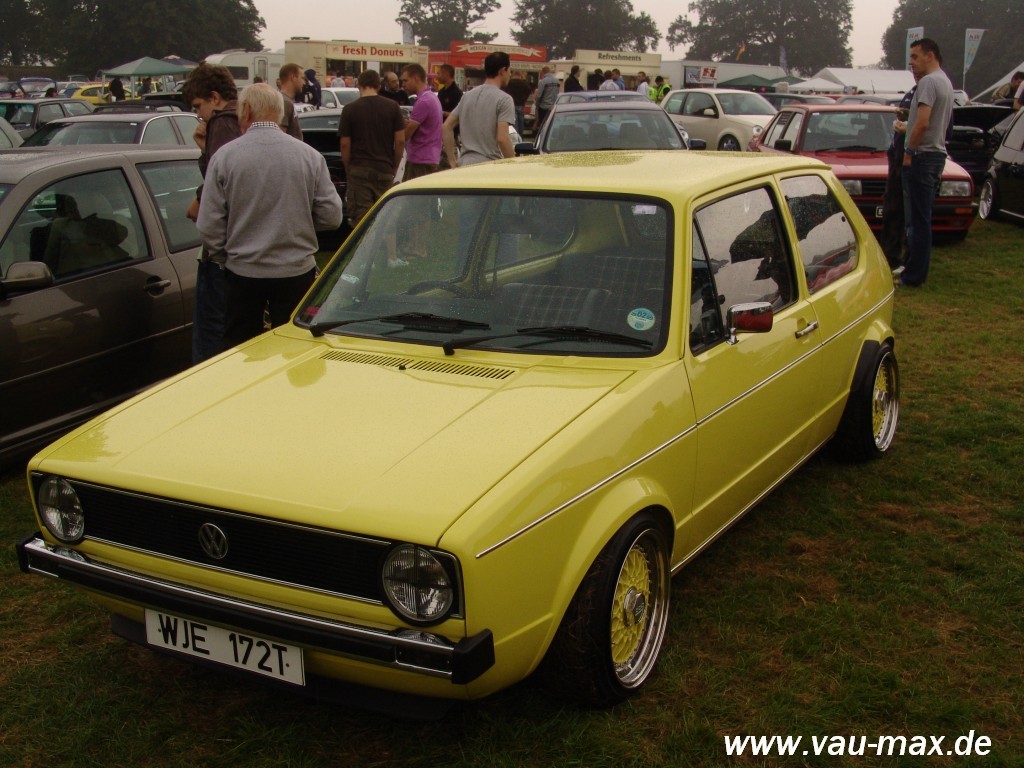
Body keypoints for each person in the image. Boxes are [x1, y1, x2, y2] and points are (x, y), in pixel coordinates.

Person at [197, 84, 342, 347]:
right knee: (295, 348)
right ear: (279, 112)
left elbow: (209, 224)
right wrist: (299, 224)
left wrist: (223, 255)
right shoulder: (309, 156)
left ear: (246, 110)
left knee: (243, 350)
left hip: (242, 272)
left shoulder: (225, 157)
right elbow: (332, 216)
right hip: (296, 269)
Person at [183, 62, 243, 363]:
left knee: (211, 337)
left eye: (198, 106)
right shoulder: (244, 120)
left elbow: (218, 183)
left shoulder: (221, 122)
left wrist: (199, 202)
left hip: (222, 254)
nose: (199, 115)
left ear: (215, 98)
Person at [900, 38, 954, 288]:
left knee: (918, 219)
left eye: (915, 56)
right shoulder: (945, 81)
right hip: (935, 155)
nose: (911, 62)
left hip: (923, 156)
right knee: (921, 217)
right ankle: (912, 268)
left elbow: (923, 123)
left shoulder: (929, 82)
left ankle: (913, 276)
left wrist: (909, 151)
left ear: (930, 55)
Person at [338, 70, 405, 232]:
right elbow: (400, 141)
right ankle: (388, 248)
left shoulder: (349, 109)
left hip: (359, 171)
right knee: (386, 219)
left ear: (359, 85)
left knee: (362, 221)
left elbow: (345, 144)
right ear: (379, 86)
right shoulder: (393, 107)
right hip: (384, 170)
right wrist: (394, 166)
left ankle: (364, 247)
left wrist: (348, 167)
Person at [442, 50, 515, 168]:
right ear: (503, 71)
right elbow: (503, 139)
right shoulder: (504, 99)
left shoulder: (467, 96)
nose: (510, 75)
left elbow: (446, 126)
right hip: (488, 167)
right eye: (510, 70)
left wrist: (452, 160)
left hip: (464, 165)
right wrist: (514, 165)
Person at [880, 81, 917, 270]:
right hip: (897, 157)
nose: (913, 68)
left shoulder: (930, 90)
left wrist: (908, 126)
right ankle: (890, 256)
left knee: (909, 215)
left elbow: (932, 127)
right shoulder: (912, 91)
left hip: (911, 159)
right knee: (892, 211)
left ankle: (908, 261)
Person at [400, 63, 442, 179]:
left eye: (405, 80)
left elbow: (406, 134)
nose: (403, 85)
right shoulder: (431, 97)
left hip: (420, 161)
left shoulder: (424, 101)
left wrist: (401, 125)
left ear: (416, 79)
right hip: (429, 158)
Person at [435, 64, 463, 170]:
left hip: (452, 137)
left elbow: (459, 115)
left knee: (450, 166)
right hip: (439, 136)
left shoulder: (457, 93)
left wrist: (442, 113)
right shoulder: (441, 92)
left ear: (446, 74)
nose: (437, 76)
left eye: (439, 73)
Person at [276, 63, 305, 139]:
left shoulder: (286, 101)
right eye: (302, 78)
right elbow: (280, 136)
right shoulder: (285, 102)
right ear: (293, 77)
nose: (304, 82)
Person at [503, 70, 532, 136]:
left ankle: (515, 136)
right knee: (521, 121)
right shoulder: (525, 84)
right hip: (521, 104)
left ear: (513, 75)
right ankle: (520, 135)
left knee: (514, 122)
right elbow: (529, 90)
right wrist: (524, 99)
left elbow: (504, 92)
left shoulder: (509, 83)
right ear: (520, 76)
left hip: (512, 104)